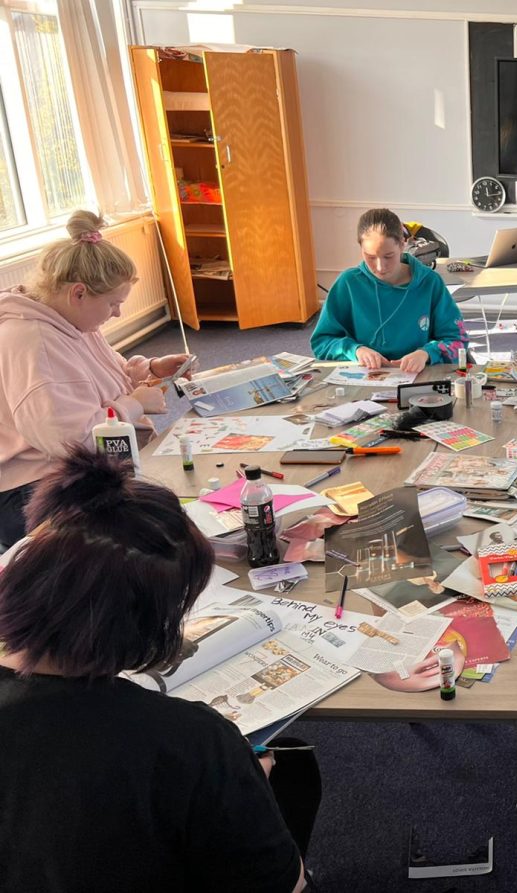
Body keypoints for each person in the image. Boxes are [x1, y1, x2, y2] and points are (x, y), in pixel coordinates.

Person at [0, 448, 317, 893]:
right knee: (295, 772)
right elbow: (286, 883)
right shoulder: (190, 742)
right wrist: (239, 787)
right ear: (148, 624)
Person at [0, 210, 191, 545]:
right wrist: (132, 406)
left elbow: (108, 375)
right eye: (113, 304)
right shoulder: (36, 342)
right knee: (151, 532)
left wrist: (152, 369)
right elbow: (73, 442)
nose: (117, 313)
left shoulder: (69, 319)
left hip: (73, 470)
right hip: (33, 488)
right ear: (79, 293)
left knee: (174, 501)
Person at [311, 208, 467, 373]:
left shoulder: (429, 282)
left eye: (388, 256)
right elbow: (322, 342)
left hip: (419, 378)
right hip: (364, 378)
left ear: (402, 244)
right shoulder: (348, 283)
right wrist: (356, 350)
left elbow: (457, 341)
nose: (380, 267)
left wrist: (426, 353)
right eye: (370, 257)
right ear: (360, 248)